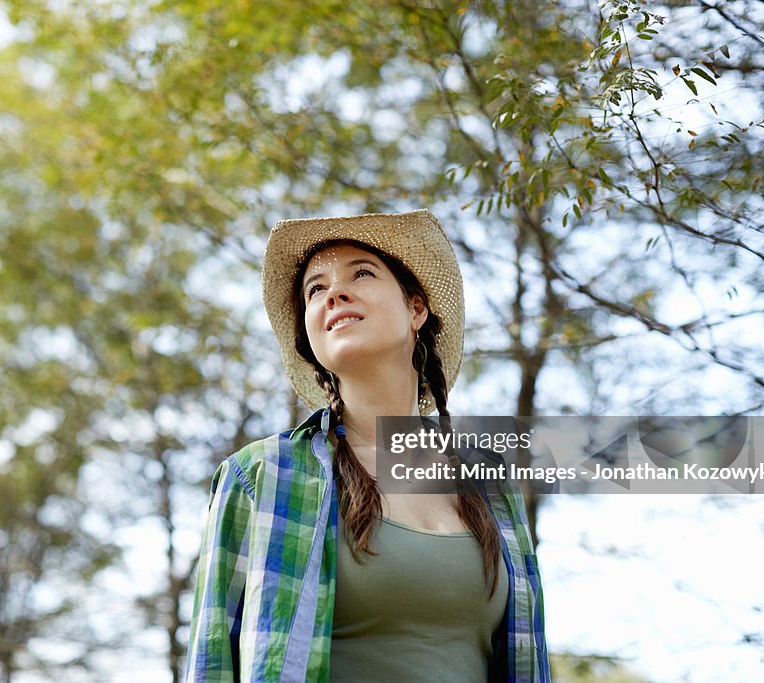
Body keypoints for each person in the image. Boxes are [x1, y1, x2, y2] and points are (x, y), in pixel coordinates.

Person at [185, 210, 549, 682]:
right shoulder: (261, 476)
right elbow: (211, 663)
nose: (334, 292)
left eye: (361, 273)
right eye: (315, 289)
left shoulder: (491, 488)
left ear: (416, 309)